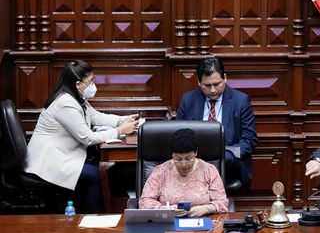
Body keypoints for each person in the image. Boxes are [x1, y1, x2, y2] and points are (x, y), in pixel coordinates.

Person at [24, 60, 139, 213]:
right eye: (90, 81)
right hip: (49, 160)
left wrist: (122, 120)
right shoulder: (65, 103)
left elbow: (96, 116)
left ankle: (96, 213)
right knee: (94, 175)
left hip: (63, 155)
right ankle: (89, 218)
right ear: (78, 84)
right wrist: (119, 130)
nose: (93, 85)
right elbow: (88, 138)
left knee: (99, 170)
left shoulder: (76, 98)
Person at [176, 56, 257, 191]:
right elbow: (178, 136)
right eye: (207, 85)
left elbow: (249, 140)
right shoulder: (188, 100)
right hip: (194, 161)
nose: (212, 90)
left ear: (225, 78)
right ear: (199, 82)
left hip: (228, 163)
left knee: (226, 158)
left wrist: (226, 153)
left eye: (217, 84)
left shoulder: (241, 101)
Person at [139, 128, 229, 215]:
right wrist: (166, 209)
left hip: (202, 220)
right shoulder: (161, 171)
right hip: (169, 220)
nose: (183, 164)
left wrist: (206, 209)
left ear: (196, 152)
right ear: (172, 155)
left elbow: (222, 202)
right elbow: (144, 202)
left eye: (188, 158)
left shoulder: (209, 170)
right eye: (178, 159)